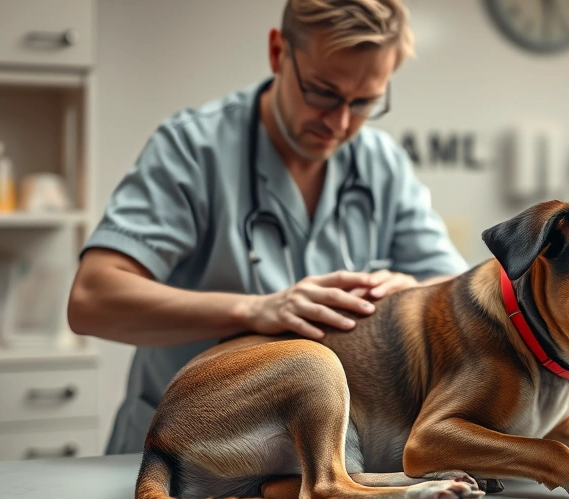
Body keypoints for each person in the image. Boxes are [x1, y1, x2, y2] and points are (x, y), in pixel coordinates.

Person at [67, 0, 468, 455]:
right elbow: (92, 299)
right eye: (321, 92)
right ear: (278, 53)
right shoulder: (195, 149)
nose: (338, 122)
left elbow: (456, 291)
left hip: (317, 464)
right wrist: (253, 310)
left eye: (364, 103)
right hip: (185, 456)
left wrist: (414, 292)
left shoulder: (382, 165)